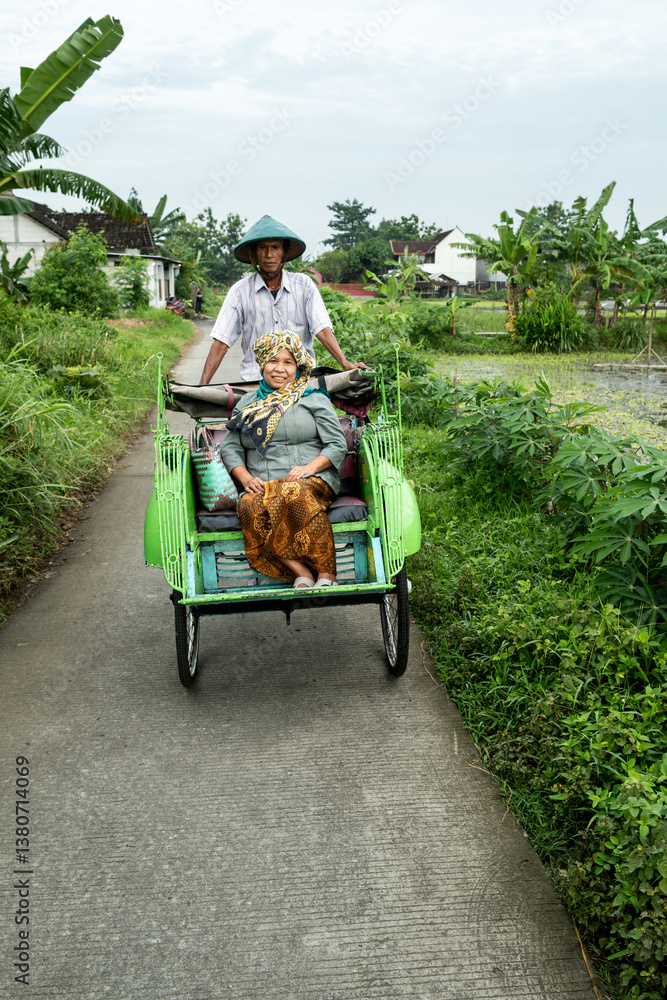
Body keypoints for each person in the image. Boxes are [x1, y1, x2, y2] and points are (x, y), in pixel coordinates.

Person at [221, 330, 347, 590]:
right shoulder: (246, 404)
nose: (280, 369)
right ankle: (302, 573)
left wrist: (308, 468)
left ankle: (327, 574)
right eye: (273, 361)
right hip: (265, 484)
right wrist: (246, 478)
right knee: (249, 505)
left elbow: (337, 444)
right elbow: (231, 448)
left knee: (293, 492)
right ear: (262, 364)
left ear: (298, 367)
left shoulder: (313, 398)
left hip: (313, 479)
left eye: (288, 362)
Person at [200, 214, 367, 384]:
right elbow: (221, 342)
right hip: (256, 383)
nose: (269, 254)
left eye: (275, 247)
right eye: (262, 248)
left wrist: (345, 364)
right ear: (254, 254)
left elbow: (322, 329)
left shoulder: (304, 285)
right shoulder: (239, 292)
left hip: (300, 382)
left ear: (284, 252)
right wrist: (201, 387)